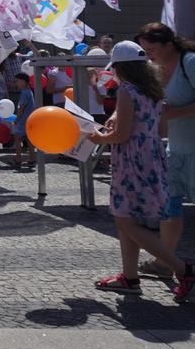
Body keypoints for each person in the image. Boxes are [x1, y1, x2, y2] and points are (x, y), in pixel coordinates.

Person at [88, 41, 195, 302]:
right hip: (152, 158)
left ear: (121, 68)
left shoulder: (126, 90)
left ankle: (183, 269)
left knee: (124, 221)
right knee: (129, 219)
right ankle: (130, 277)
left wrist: (99, 138)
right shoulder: (154, 90)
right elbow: (159, 130)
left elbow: (122, 134)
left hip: (131, 162)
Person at [135, 22, 195, 278]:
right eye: (143, 49)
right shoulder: (155, 68)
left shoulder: (190, 62)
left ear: (168, 45)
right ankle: (163, 263)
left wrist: (173, 113)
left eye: (151, 48)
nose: (148, 53)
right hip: (176, 148)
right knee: (169, 207)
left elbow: (170, 110)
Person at [11, 73, 36, 170]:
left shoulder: (24, 93)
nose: (16, 83)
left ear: (23, 81)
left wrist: (16, 120)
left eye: (17, 81)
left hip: (23, 120)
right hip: (29, 119)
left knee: (17, 138)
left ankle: (18, 159)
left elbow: (21, 108)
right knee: (29, 140)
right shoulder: (29, 91)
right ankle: (32, 159)